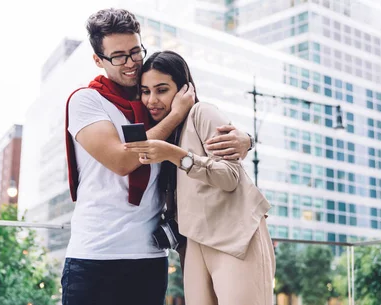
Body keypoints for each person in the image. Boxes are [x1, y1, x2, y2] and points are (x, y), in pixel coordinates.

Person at [62, 8, 253, 305]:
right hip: (95, 256)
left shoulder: (154, 107)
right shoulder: (87, 101)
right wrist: (175, 114)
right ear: (98, 60)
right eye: (119, 56)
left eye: (136, 51)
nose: (131, 63)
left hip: (150, 257)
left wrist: (247, 140)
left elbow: (207, 134)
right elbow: (123, 160)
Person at [124, 50, 275, 305]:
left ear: (185, 90)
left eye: (162, 90)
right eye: (146, 91)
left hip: (235, 238)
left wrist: (176, 155)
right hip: (194, 242)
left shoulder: (201, 113)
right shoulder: (168, 130)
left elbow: (230, 177)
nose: (152, 100)